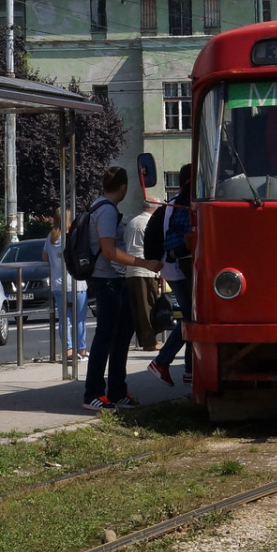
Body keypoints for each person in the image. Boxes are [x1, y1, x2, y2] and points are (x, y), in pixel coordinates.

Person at [83, 166, 160, 411]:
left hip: (115, 280)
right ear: (124, 187)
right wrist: (142, 262)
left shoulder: (101, 206)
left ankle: (117, 391)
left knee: (121, 336)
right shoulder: (105, 210)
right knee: (106, 338)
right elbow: (108, 250)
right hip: (106, 280)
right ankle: (93, 393)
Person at [146, 164, 197, 386]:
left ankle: (189, 369)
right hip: (179, 265)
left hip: (173, 264)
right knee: (191, 319)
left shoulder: (171, 204)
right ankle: (163, 361)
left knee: (191, 316)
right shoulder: (184, 203)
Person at [119, 200, 161, 351]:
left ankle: (145, 340)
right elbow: (155, 247)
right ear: (156, 208)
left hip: (130, 269)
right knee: (147, 307)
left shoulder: (132, 222)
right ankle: (150, 342)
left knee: (137, 308)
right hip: (146, 268)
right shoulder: (151, 223)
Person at [42, 212, 84, 359]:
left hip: (58, 284)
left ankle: (68, 349)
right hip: (77, 283)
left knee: (64, 319)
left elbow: (45, 256)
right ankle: (81, 349)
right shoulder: (73, 235)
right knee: (79, 318)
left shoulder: (51, 237)